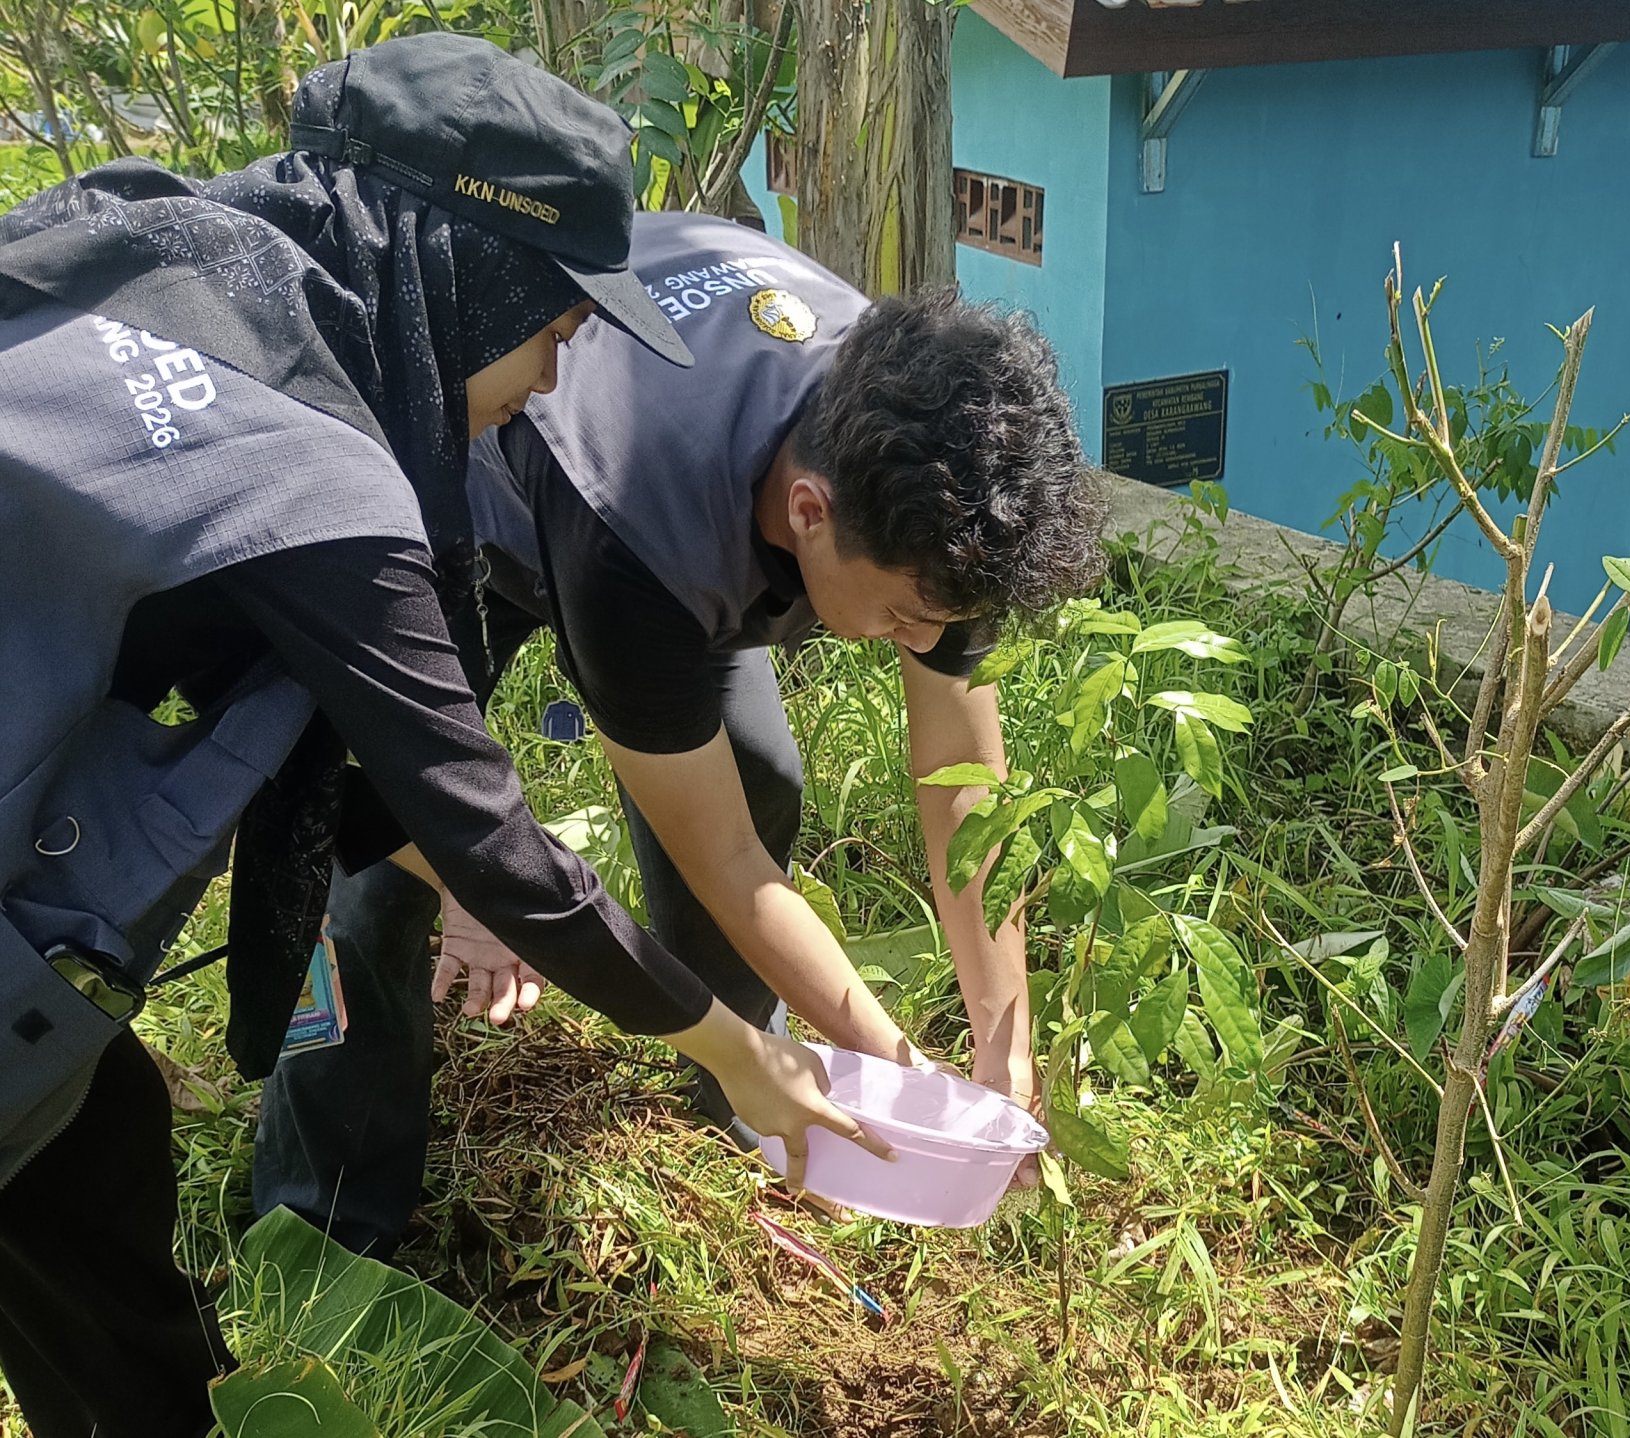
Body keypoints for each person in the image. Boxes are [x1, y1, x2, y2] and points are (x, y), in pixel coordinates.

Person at [0, 37, 881, 1438]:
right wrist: (731, 1044)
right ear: (460, 271)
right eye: (551, 330)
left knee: (89, 1157)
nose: (546, 380)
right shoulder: (315, 471)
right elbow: (495, 833)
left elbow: (388, 794)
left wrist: (456, 880)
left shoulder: (141, 240)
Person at [253, 209, 1108, 1255]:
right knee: (383, 847)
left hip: (689, 489)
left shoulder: (941, 483)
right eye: (901, 617)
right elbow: (730, 867)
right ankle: (324, 1227)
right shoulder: (640, 539)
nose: (924, 642)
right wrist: (899, 1070)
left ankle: (746, 1085)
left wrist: (998, 1036)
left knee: (753, 775)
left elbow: (964, 786)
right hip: (480, 488)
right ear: (808, 511)